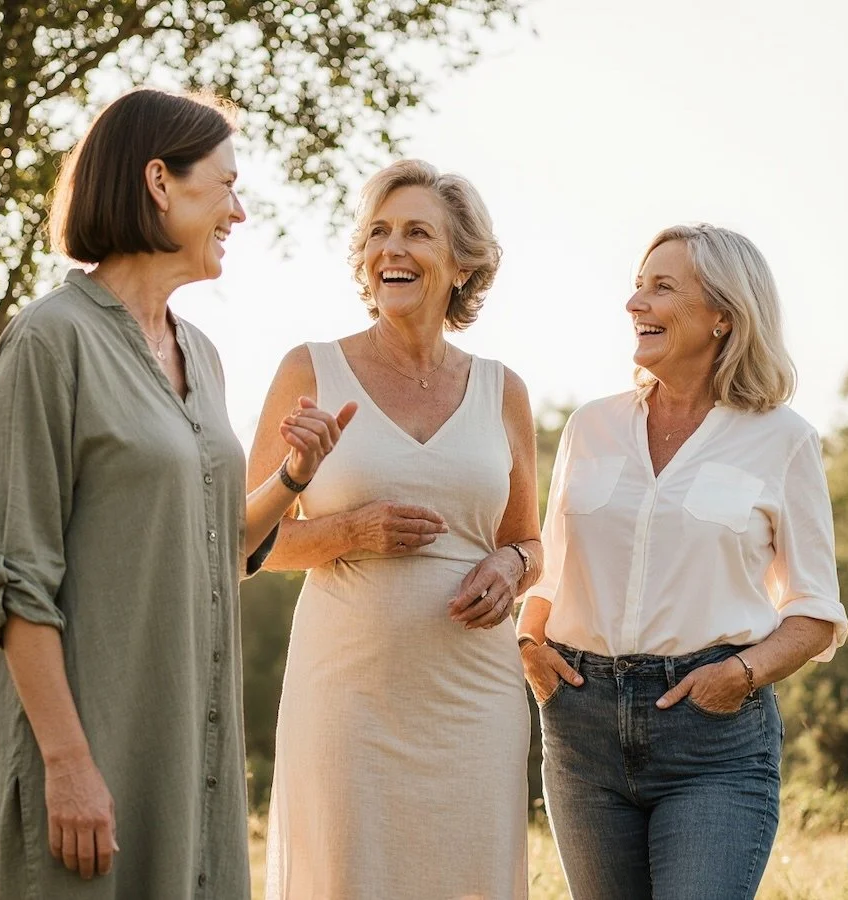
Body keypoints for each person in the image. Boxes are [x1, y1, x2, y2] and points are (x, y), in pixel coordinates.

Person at [0, 88, 356, 900]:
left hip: (186, 759)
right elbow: (16, 582)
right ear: (158, 182)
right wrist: (70, 766)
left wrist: (292, 480)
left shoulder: (204, 354)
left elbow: (214, 546)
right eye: (226, 185)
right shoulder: (48, 342)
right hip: (87, 763)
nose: (239, 213)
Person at [517, 224, 848, 900]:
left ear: (723, 316)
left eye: (661, 287)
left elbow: (815, 613)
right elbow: (549, 569)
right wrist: (529, 640)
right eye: (638, 285)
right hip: (582, 728)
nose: (635, 303)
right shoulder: (592, 426)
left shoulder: (782, 440)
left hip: (713, 737)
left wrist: (739, 674)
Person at [247, 159, 542, 899]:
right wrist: (352, 530)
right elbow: (238, 542)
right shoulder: (308, 369)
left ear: (461, 263)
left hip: (474, 700)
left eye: (417, 233)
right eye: (378, 232)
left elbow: (530, 542)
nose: (391, 250)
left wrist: (508, 567)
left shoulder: (504, 390)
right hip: (348, 696)